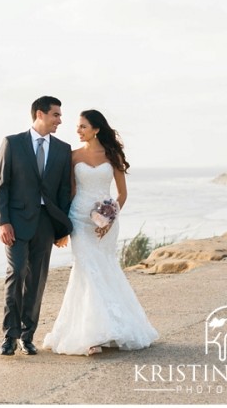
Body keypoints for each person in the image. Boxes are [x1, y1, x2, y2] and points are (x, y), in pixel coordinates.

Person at [43, 109, 158, 356]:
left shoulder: (112, 155)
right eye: (77, 126)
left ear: (95, 129)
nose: (78, 130)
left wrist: (108, 219)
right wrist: (63, 227)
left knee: (105, 269)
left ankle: (112, 327)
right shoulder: (72, 156)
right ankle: (90, 335)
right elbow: (70, 193)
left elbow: (122, 194)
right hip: (79, 220)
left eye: (82, 126)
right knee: (86, 270)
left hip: (107, 221)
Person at [0, 96, 73, 356]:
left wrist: (62, 229)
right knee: (16, 273)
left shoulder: (63, 149)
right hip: (15, 222)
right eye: (56, 115)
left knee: (37, 280)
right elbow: (1, 185)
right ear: (40, 114)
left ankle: (27, 336)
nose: (60, 120)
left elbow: (63, 192)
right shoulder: (12, 143)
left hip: (46, 223)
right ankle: (9, 336)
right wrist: (3, 221)